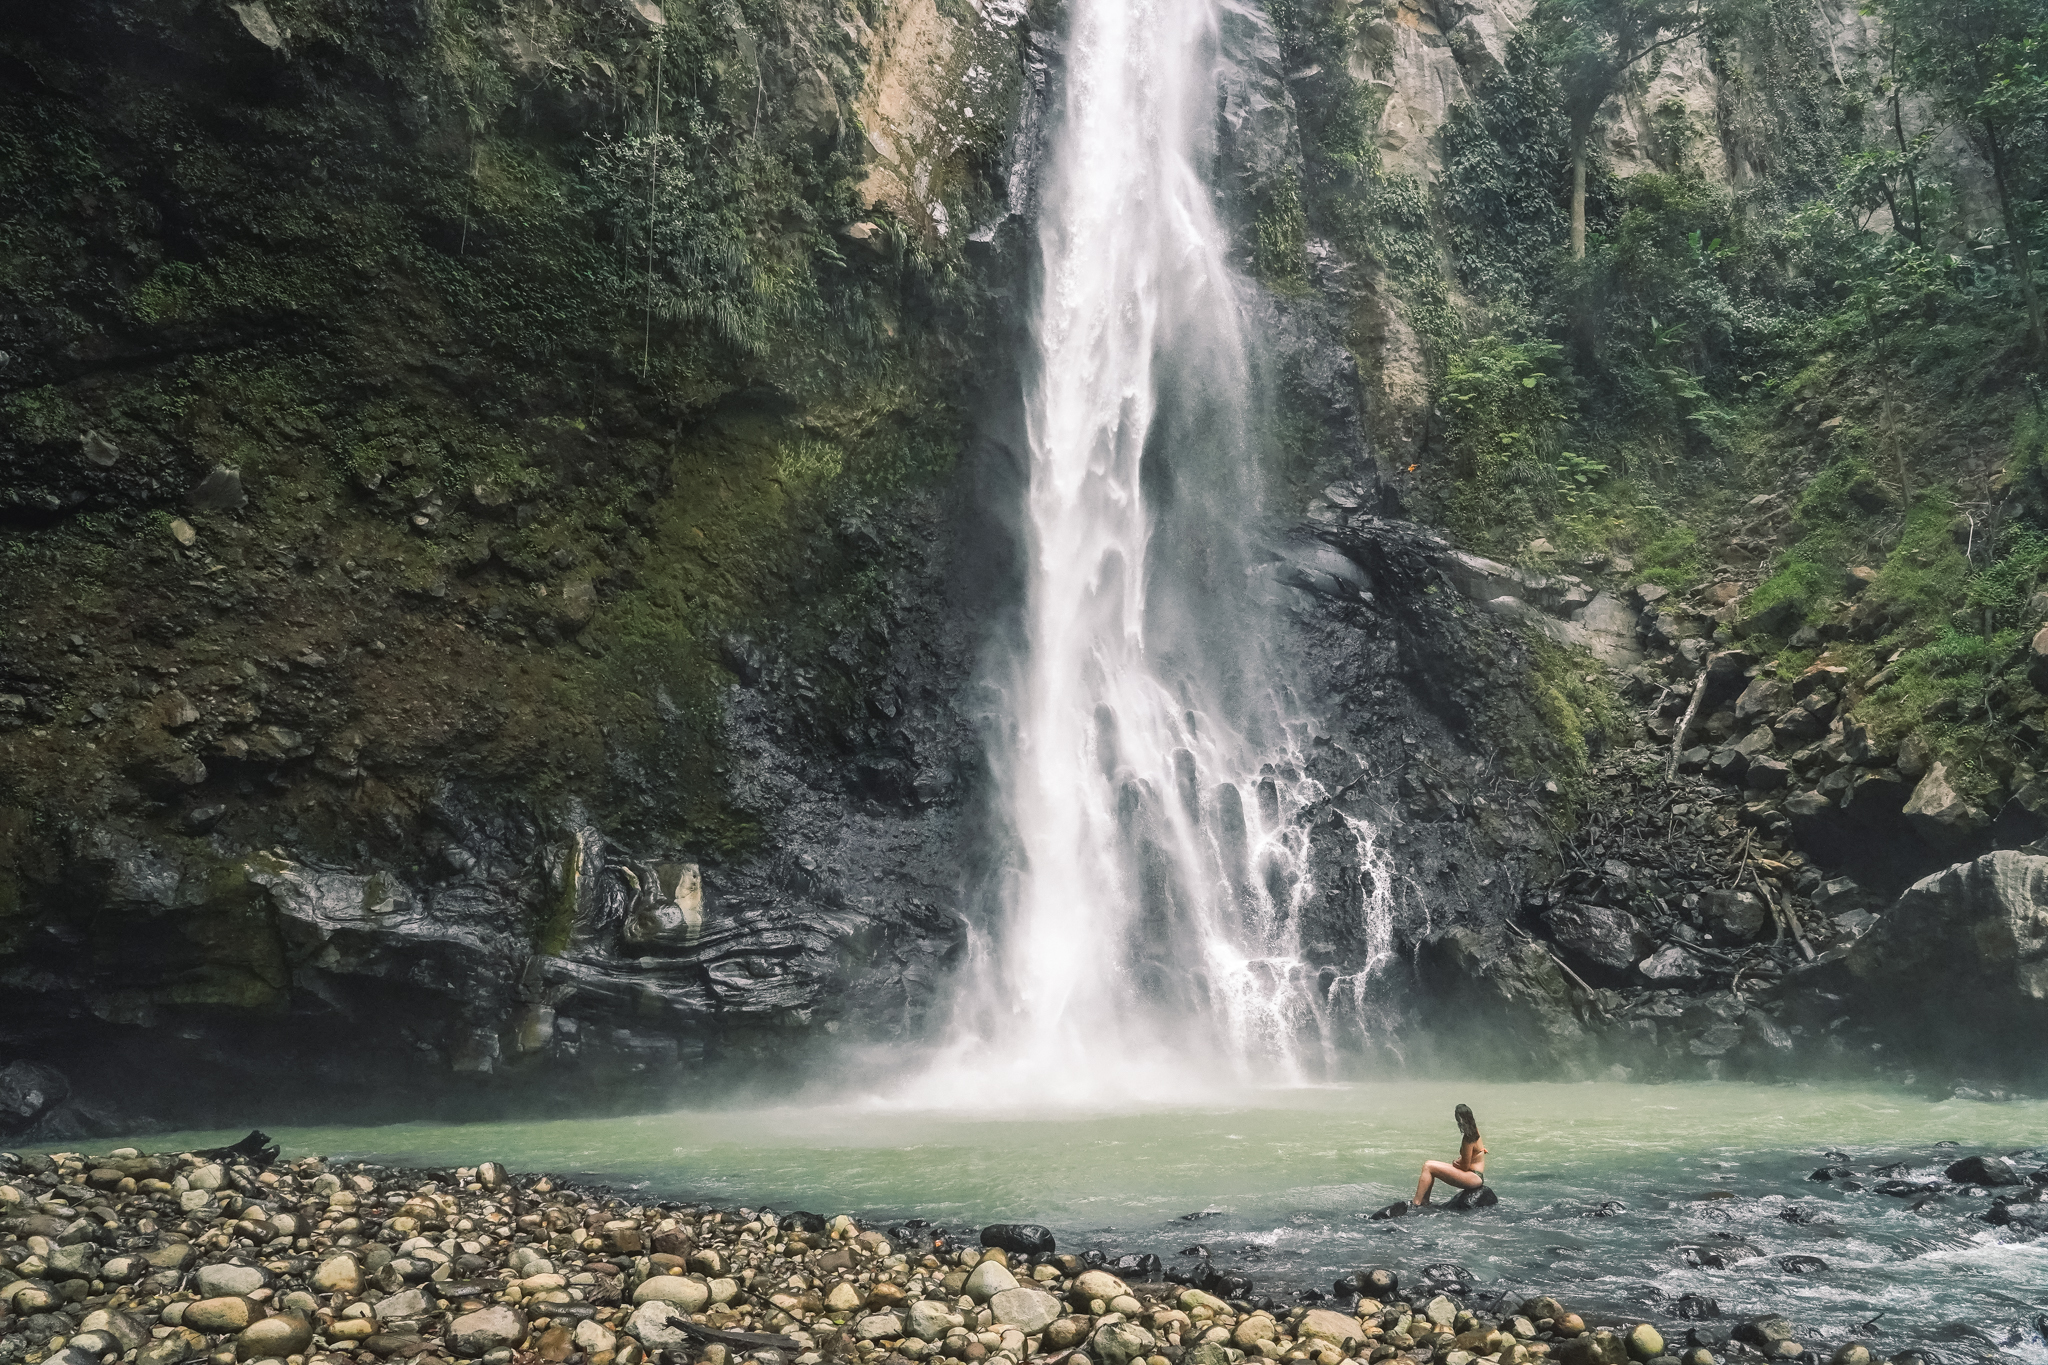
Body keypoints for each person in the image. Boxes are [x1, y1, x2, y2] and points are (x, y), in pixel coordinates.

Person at [1413, 1103, 1486, 1205]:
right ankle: (1424, 1200)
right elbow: (1475, 1153)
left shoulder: (1468, 1138)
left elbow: (1464, 1166)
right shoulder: (1475, 1132)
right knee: (1428, 1164)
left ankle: (1416, 1203)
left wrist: (1456, 1162)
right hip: (1475, 1174)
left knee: (1428, 1167)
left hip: (1472, 1177)